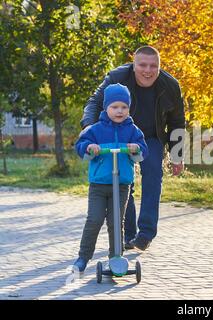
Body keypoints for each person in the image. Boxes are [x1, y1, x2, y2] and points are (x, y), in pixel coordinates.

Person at [80, 46, 185, 251]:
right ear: (134, 64)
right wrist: (89, 129)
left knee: (153, 173)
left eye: (153, 65)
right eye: (142, 65)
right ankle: (128, 234)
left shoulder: (170, 85)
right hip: (121, 134)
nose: (148, 70)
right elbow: (94, 102)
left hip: (152, 137)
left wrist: (176, 155)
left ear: (159, 66)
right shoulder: (117, 78)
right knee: (122, 179)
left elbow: (177, 122)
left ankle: (145, 234)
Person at [73, 83, 149, 272]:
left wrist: (136, 148)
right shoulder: (96, 129)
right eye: (114, 107)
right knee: (95, 219)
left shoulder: (133, 130)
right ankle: (83, 257)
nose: (119, 111)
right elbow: (81, 145)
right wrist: (90, 148)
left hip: (122, 184)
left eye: (124, 107)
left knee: (116, 222)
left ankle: (116, 258)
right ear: (106, 107)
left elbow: (143, 150)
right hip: (99, 185)